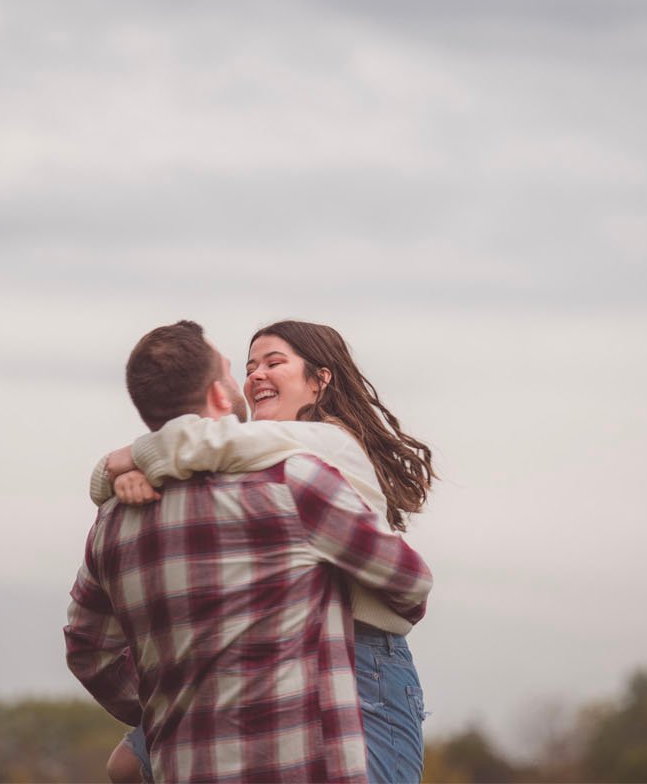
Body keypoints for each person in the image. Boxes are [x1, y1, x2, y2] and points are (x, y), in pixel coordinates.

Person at [65, 320, 433, 783]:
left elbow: (209, 440)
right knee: (125, 765)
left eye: (274, 363)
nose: (256, 374)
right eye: (248, 366)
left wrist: (120, 464)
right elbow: (209, 448)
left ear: (320, 381)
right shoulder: (259, 465)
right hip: (257, 655)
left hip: (359, 650)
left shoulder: (323, 446)